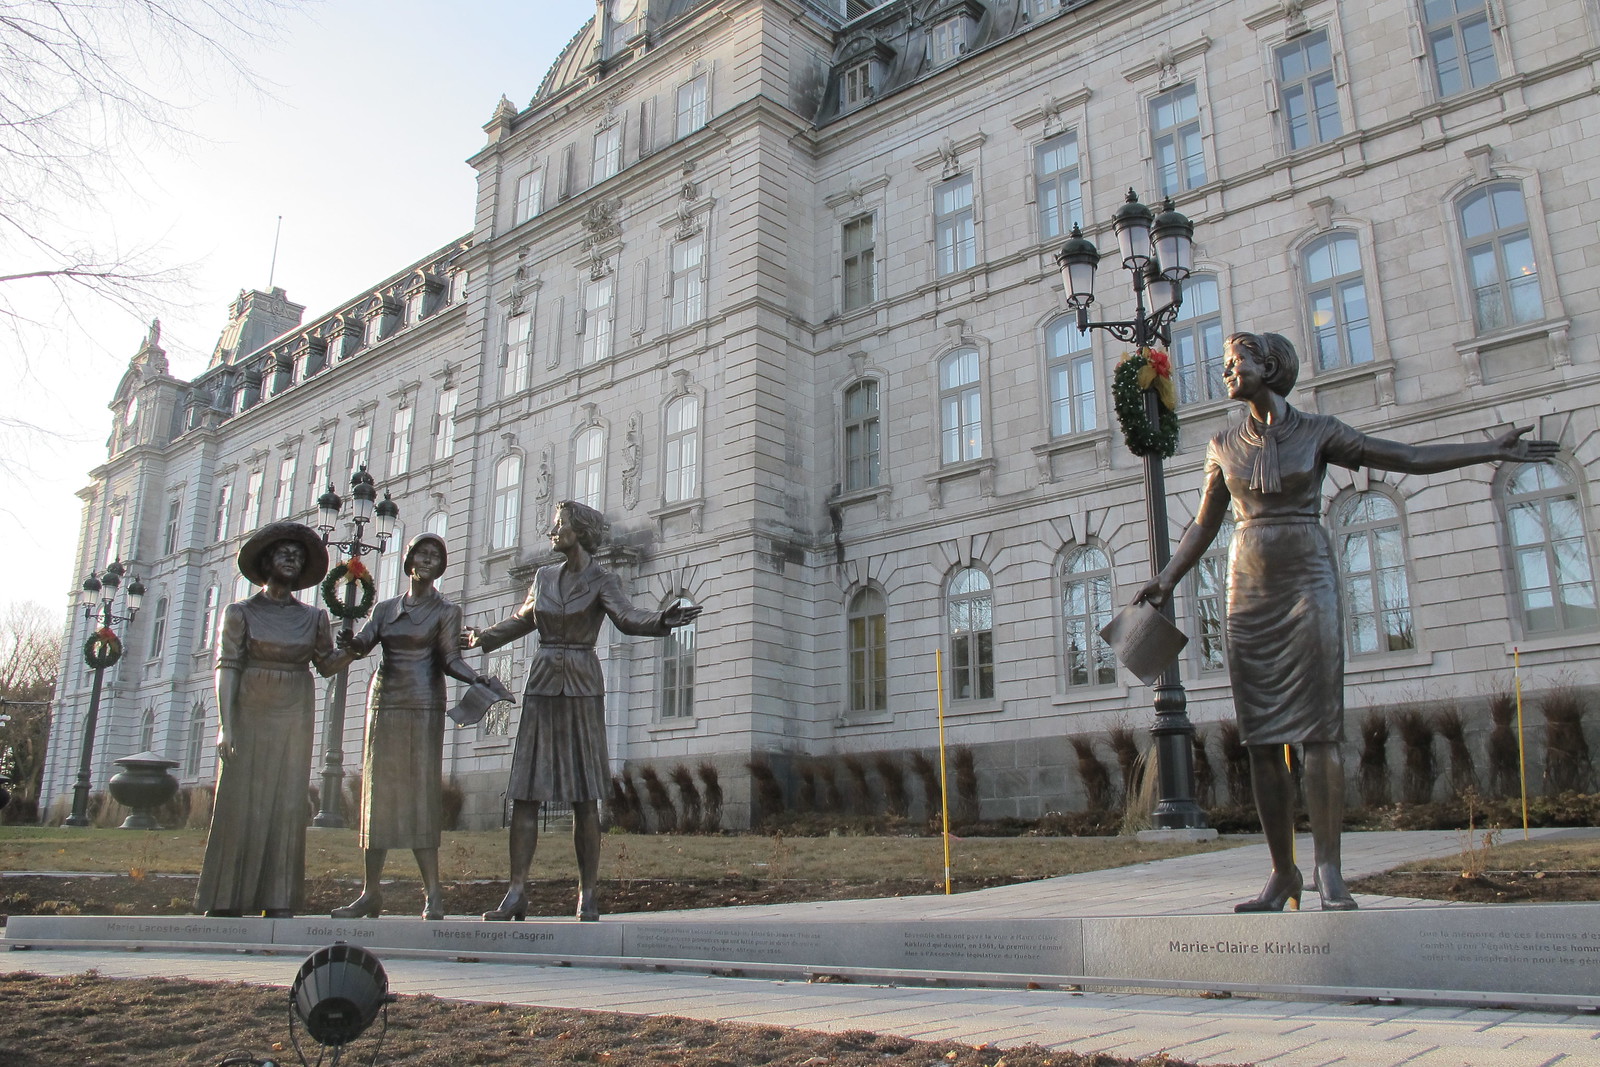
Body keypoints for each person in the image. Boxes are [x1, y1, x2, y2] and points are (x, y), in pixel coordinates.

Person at [1134, 332, 1555, 912]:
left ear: (1269, 366)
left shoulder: (1319, 432)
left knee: (1319, 731)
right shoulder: (1221, 443)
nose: (1227, 372)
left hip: (1309, 580)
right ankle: (1283, 873)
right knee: (1261, 740)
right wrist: (1167, 577)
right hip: (1248, 590)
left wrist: (1487, 450)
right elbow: (1203, 527)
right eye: (1226, 365)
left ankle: (1329, 870)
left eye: (1237, 363)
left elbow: (1403, 457)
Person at [462, 500, 702, 921]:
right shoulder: (542, 576)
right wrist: (482, 638)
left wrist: (662, 620)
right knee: (524, 793)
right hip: (541, 686)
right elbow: (521, 620)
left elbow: (626, 618)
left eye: (559, 526)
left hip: (582, 685)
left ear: (580, 532)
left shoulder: (602, 578)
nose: (552, 532)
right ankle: (516, 891)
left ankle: (587, 894)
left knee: (584, 796)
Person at [330, 533, 486, 921]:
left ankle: (433, 894)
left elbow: (450, 659)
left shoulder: (447, 611)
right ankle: (370, 892)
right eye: (422, 553)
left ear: (441, 566)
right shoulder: (383, 609)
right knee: (376, 794)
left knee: (420, 795)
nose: (429, 559)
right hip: (384, 704)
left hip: (423, 705)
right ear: (409, 560)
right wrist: (348, 643)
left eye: (436, 555)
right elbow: (365, 643)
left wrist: (477, 679)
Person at [195, 521, 343, 918]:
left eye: (298, 555)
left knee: (286, 800)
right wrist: (227, 724)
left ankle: (279, 896)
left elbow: (327, 665)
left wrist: (357, 645)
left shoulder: (314, 618)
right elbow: (227, 666)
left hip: (294, 708)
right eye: (284, 553)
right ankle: (226, 898)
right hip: (250, 706)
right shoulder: (240, 612)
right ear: (266, 561)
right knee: (239, 799)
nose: (292, 559)